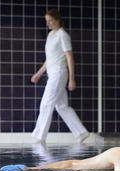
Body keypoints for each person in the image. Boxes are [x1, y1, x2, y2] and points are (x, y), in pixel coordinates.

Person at [30, 9, 89, 144]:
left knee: (46, 103)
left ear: (57, 20)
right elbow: (49, 59)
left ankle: (39, 136)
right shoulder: (51, 35)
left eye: (50, 21)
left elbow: (69, 58)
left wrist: (72, 79)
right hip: (52, 73)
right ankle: (81, 132)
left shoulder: (63, 35)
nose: (48, 24)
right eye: (47, 21)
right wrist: (38, 73)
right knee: (61, 106)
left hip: (59, 73)